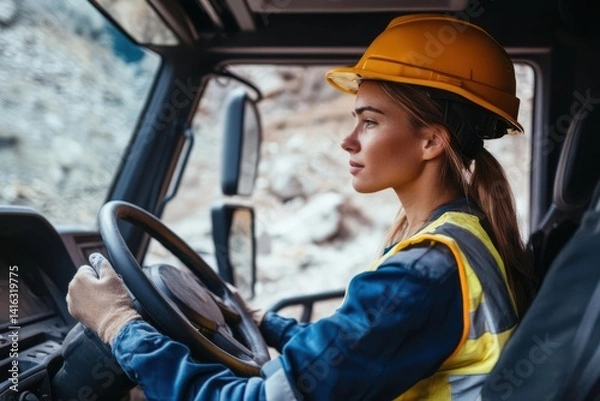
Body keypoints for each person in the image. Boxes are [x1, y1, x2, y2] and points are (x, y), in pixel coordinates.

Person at [67, 14, 537, 400]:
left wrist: (117, 325)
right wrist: (254, 320)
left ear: (431, 140)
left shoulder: (423, 272)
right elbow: (352, 351)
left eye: (369, 122)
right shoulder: (461, 238)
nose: (347, 140)